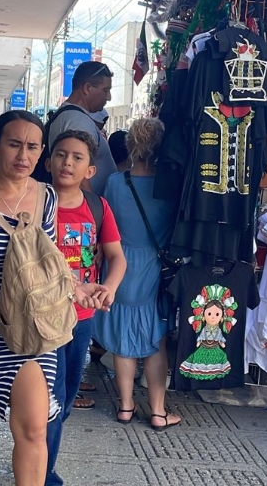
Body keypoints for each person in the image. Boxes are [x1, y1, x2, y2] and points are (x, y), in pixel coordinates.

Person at [0, 111, 108, 486]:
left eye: (32, 147)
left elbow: (46, 259)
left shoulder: (46, 196)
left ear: (41, 152)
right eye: (14, 144)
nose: (23, 155)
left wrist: (77, 289)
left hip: (33, 326)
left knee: (35, 426)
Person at [45, 130, 126, 486]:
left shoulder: (97, 207)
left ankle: (40, 455)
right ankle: (42, 471)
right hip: (43, 318)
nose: (68, 163)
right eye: (61, 155)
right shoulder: (35, 202)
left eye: (77, 157)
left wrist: (108, 288)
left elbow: (116, 257)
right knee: (50, 397)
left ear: (90, 170)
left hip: (82, 318)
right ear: (47, 162)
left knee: (67, 395)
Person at [94, 118, 182, 431]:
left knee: (122, 338)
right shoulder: (170, 187)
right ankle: (158, 412)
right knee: (154, 341)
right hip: (154, 266)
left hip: (119, 263)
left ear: (131, 145)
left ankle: (126, 407)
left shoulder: (117, 183)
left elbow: (107, 224)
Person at [45, 61, 116, 191]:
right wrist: (90, 209)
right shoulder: (77, 121)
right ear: (87, 88)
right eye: (105, 90)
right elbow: (79, 178)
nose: (109, 97)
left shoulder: (73, 117)